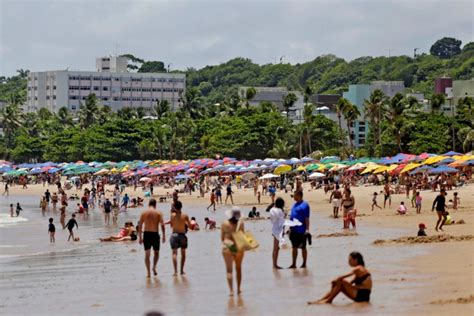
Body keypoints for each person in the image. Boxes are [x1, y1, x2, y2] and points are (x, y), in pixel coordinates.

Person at [308, 252, 372, 304]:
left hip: (362, 295)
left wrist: (335, 280)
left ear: (356, 259)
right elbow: (349, 283)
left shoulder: (358, 268)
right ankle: (321, 300)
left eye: (350, 260)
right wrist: (336, 285)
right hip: (364, 297)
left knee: (340, 281)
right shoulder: (362, 269)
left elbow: (342, 277)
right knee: (339, 284)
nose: (348, 262)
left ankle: (328, 300)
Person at [138, 199, 166, 278]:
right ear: (155, 204)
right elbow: (162, 225)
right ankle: (153, 267)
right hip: (155, 234)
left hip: (146, 234)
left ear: (149, 204)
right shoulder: (158, 213)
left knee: (147, 254)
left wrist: (140, 237)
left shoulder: (143, 213)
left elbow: (140, 225)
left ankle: (149, 272)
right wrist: (164, 235)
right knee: (156, 253)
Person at [221, 207, 245, 296]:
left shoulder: (224, 223)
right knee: (238, 268)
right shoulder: (241, 223)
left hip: (227, 244)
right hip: (237, 245)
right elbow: (242, 236)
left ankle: (231, 291)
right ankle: (238, 289)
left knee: (229, 270)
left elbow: (222, 238)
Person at [288, 191, 310, 269]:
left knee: (303, 247)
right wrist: (289, 228)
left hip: (301, 230)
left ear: (299, 195)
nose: (293, 196)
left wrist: (307, 230)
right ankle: (294, 264)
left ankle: (304, 264)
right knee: (294, 247)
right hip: (293, 230)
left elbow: (307, 219)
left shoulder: (305, 205)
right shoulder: (294, 205)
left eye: (294, 195)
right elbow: (292, 217)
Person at [169, 200, 191, 276]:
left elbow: (171, 225)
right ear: (181, 206)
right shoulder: (185, 215)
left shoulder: (172, 215)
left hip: (174, 235)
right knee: (183, 254)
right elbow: (190, 227)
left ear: (175, 207)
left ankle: (175, 271)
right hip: (182, 235)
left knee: (174, 253)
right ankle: (181, 271)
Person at [270, 197, 286, 269]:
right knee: (276, 248)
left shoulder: (274, 210)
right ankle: (274, 265)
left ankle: (275, 264)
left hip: (275, 230)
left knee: (276, 248)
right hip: (278, 231)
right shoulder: (280, 211)